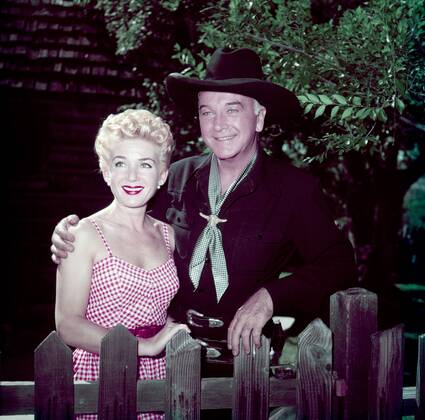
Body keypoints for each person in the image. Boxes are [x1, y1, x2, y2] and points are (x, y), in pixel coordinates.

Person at [51, 48, 357, 369]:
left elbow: (338, 266)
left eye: (232, 109)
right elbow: (121, 225)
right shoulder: (175, 177)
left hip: (245, 360)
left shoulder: (294, 190)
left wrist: (272, 295)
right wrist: (68, 233)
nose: (218, 124)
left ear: (260, 117)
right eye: (207, 112)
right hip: (169, 357)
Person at [54, 109, 189, 419]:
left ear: (163, 175)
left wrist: (163, 336)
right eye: (120, 164)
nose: (132, 177)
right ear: (106, 172)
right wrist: (145, 346)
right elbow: (68, 325)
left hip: (158, 375)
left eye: (145, 164)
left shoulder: (167, 235)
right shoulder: (84, 233)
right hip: (101, 371)